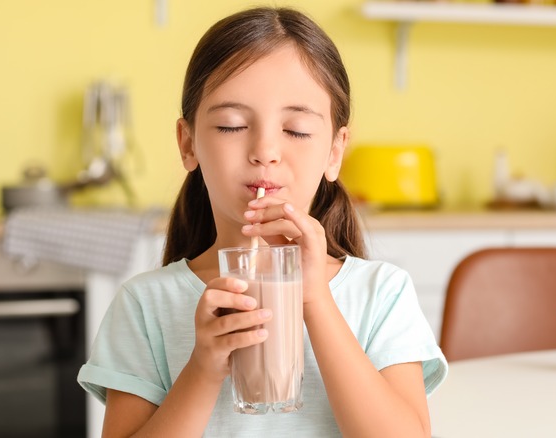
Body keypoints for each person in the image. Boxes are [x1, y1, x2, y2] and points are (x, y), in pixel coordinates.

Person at [78, 6, 447, 437]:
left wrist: (315, 301)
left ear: (335, 151)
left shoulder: (381, 295)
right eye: (232, 125)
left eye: (296, 130)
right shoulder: (145, 307)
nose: (265, 150)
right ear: (188, 143)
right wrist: (203, 367)